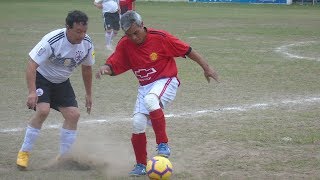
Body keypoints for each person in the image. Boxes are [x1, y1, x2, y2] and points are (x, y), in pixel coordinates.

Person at [96, 11, 219, 176]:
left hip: (166, 80)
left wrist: (207, 68)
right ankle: (140, 165)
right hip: (145, 87)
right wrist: (106, 68)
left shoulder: (161, 38)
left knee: (151, 100)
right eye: (129, 34)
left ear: (142, 25)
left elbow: (188, 51)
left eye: (136, 33)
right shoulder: (125, 43)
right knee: (138, 123)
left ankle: (163, 144)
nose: (133, 37)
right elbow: (115, 62)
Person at [16, 10, 95, 170]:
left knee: (74, 115)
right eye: (78, 31)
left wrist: (88, 93)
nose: (81, 35)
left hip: (61, 82)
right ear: (68, 27)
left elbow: (87, 68)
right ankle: (24, 153)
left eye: (84, 31)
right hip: (42, 78)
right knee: (43, 111)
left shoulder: (87, 43)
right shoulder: (52, 40)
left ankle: (65, 157)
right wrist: (32, 91)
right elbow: (31, 65)